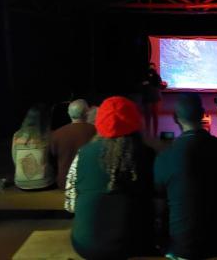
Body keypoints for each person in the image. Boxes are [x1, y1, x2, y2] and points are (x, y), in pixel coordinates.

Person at [65, 96, 155, 260]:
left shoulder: (84, 153)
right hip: (131, 245)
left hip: (84, 244)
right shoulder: (147, 155)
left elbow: (70, 205)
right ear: (135, 122)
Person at [154, 93, 217, 259]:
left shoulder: (164, 156)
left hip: (180, 247)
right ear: (203, 115)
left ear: (175, 118)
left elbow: (159, 205)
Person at [50, 99, 96, 189]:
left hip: (65, 183)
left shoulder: (56, 134)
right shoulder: (96, 132)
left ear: (68, 113)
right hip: (89, 182)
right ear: (87, 113)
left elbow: (51, 160)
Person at [12, 104, 55, 190]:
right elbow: (52, 156)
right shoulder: (48, 135)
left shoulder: (17, 136)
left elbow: (14, 159)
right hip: (44, 182)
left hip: (21, 183)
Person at [142, 62, 166, 137]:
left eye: (153, 67)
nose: (152, 68)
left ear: (155, 68)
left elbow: (160, 86)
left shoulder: (157, 76)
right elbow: (141, 85)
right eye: (150, 67)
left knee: (155, 116)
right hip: (147, 98)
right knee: (147, 116)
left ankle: (155, 134)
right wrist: (145, 83)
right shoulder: (144, 76)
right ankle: (148, 132)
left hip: (156, 98)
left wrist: (164, 85)